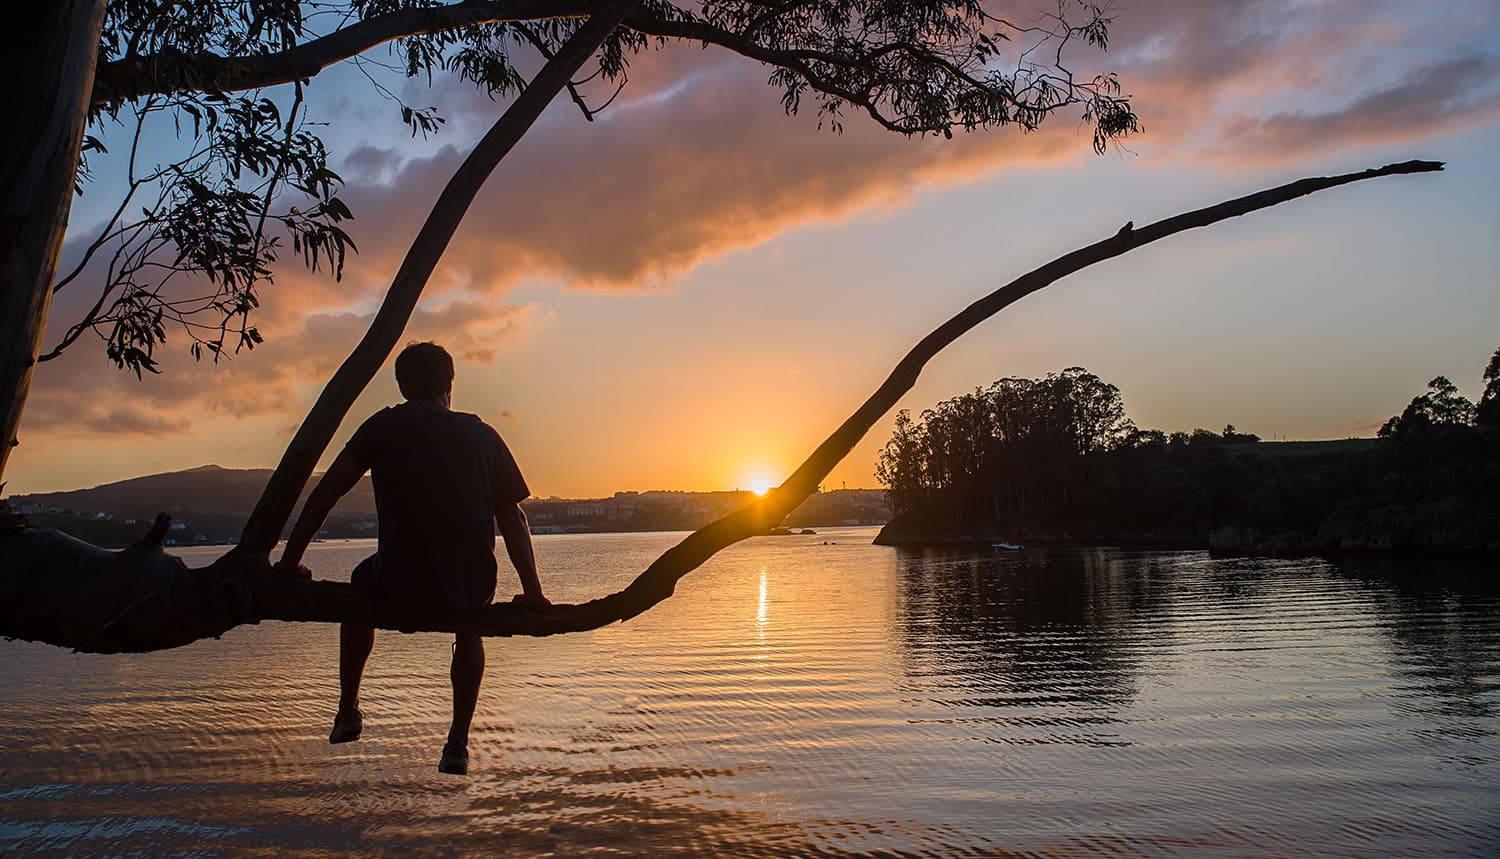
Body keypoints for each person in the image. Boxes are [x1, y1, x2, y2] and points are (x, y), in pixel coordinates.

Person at [276, 342, 549, 775]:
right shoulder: (483, 435)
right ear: (450, 384)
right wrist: (533, 592)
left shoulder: (384, 426)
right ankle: (458, 742)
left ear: (402, 386)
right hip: (469, 585)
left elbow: (325, 495)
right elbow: (512, 518)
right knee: (471, 628)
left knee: (357, 587)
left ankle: (348, 708)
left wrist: (290, 563)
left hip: (398, 583)